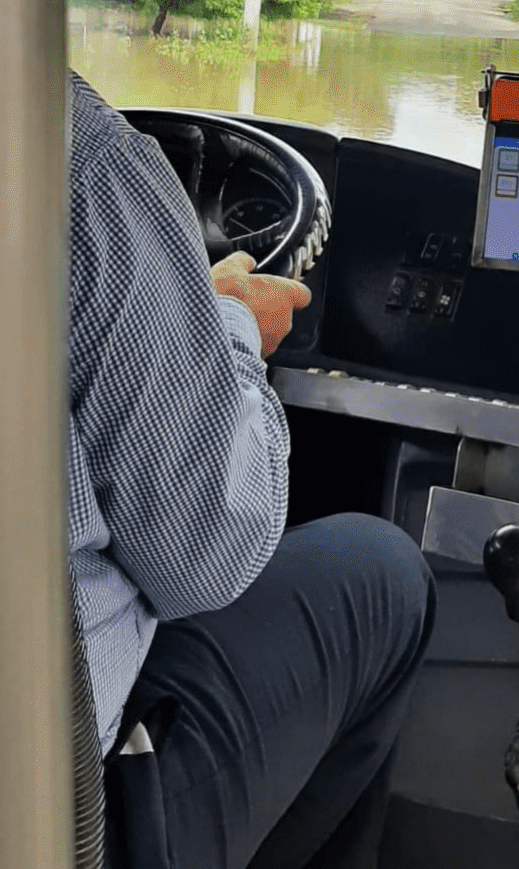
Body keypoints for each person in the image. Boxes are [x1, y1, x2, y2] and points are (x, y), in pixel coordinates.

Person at [67, 69, 436, 869]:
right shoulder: (82, 157)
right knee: (388, 576)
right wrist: (228, 323)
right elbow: (204, 556)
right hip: (65, 798)